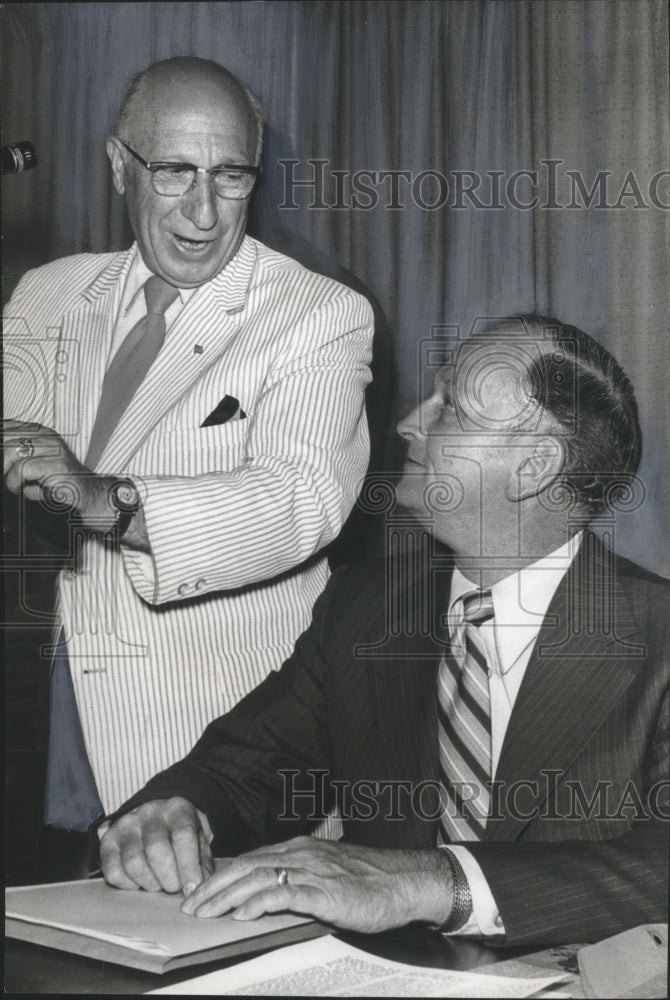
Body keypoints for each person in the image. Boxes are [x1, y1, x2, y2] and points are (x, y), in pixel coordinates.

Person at [99, 314, 668, 947]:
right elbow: (245, 769)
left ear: (534, 465)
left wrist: (424, 883)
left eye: (448, 407)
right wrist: (176, 812)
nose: (408, 424)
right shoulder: (365, 608)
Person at [2, 57, 373, 838]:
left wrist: (105, 498)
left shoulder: (318, 314)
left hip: (209, 750)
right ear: (118, 167)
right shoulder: (46, 291)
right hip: (36, 717)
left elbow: (300, 501)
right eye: (173, 171)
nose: (204, 212)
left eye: (230, 175)